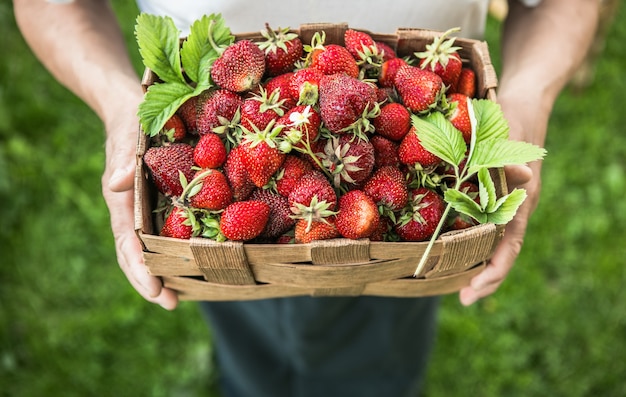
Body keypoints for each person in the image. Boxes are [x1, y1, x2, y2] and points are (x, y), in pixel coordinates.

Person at [12, 0, 599, 396]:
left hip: (407, 230)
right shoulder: (246, 164)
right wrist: (123, 108)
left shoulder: (374, 133)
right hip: (216, 168)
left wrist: (524, 103)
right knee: (245, 330)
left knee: (381, 348)